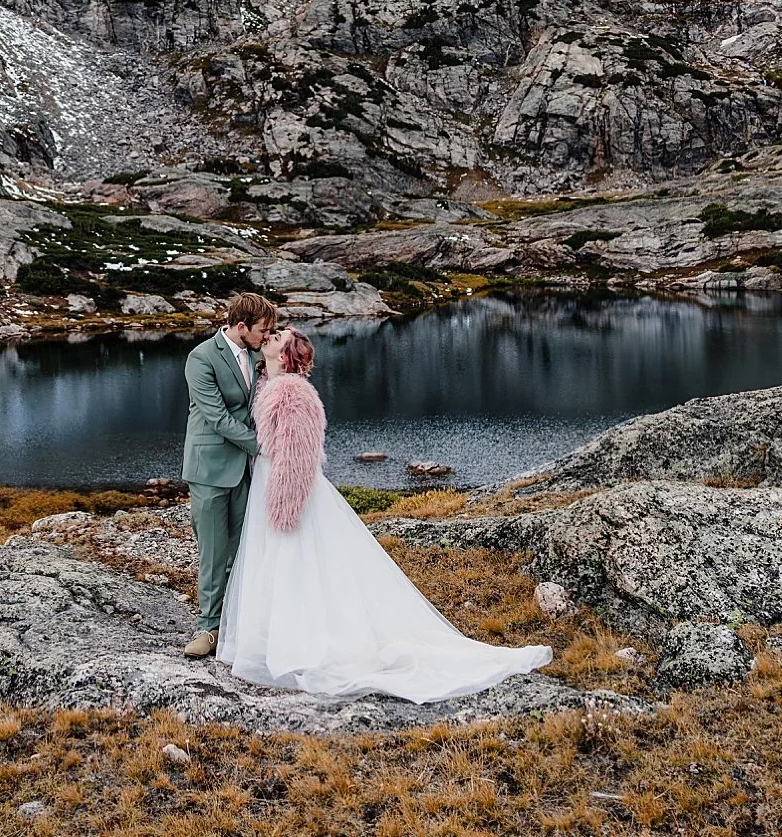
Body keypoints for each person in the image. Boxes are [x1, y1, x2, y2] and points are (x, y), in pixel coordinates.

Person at [216, 325, 555, 701]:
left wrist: (284, 501)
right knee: (279, 559)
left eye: (278, 336)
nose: (270, 336)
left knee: (295, 559)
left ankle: (297, 641)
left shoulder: (289, 394)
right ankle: (274, 636)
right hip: (270, 481)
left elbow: (298, 456)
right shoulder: (269, 385)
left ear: (285, 356)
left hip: (287, 489)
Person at [178, 291, 276, 659]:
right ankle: (207, 629)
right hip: (209, 469)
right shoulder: (201, 358)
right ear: (241, 326)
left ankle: (235, 626)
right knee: (214, 553)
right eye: (263, 329)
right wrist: (263, 446)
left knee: (242, 551)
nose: (267, 336)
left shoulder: (255, 356)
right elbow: (217, 418)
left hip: (245, 471)